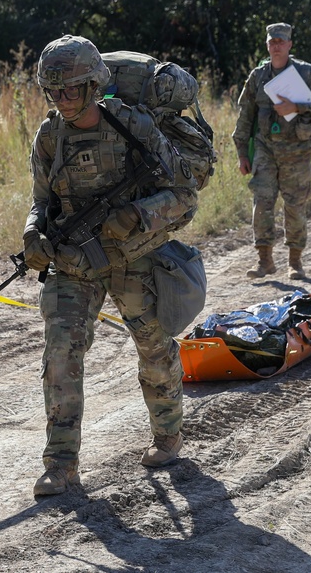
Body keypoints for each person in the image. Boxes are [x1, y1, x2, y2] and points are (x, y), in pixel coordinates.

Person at [23, 35, 199, 497]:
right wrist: (33, 234)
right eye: (53, 91)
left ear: (93, 83)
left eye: (70, 90)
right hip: (73, 262)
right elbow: (41, 203)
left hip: (132, 256)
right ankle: (61, 463)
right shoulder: (49, 136)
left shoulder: (133, 127)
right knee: (61, 356)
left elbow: (184, 195)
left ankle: (167, 434)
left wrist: (138, 216)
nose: (61, 100)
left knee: (154, 348)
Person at [231, 22, 311, 280]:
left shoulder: (306, 74)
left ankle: (295, 262)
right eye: (272, 42)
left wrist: (297, 107)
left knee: (295, 206)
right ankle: (264, 260)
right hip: (265, 149)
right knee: (262, 201)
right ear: (267, 45)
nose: (276, 46)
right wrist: (242, 153)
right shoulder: (258, 76)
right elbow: (245, 116)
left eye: (281, 41)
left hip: (297, 152)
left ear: (289, 45)